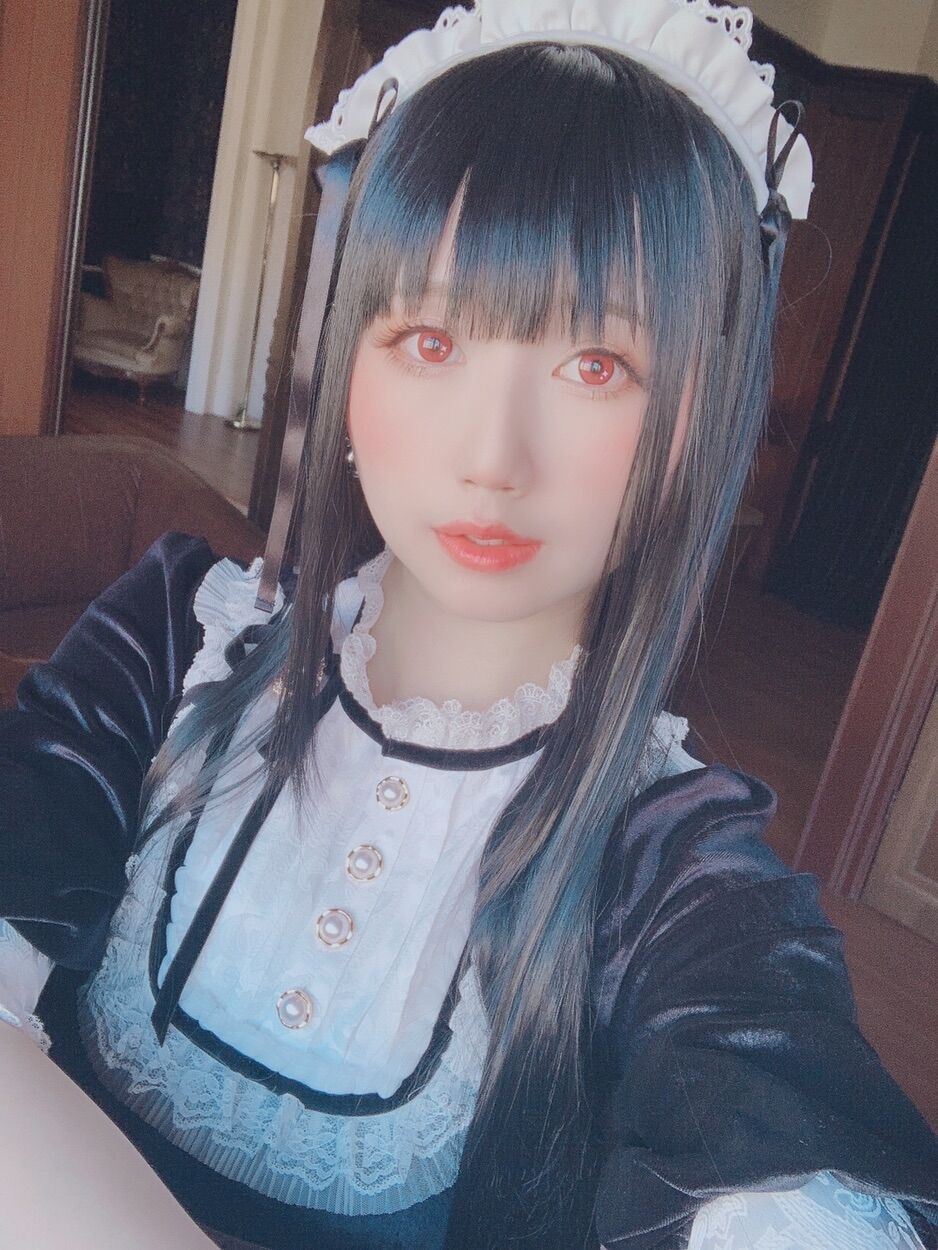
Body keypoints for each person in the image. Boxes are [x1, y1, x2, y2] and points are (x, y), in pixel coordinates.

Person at [2, 2, 937, 1248]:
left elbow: (768, 1099)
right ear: (348, 359)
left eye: (596, 365)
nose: (492, 457)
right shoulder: (179, 634)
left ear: (700, 417)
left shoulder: (671, 860)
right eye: (429, 339)